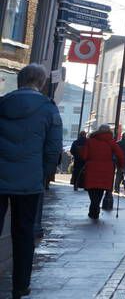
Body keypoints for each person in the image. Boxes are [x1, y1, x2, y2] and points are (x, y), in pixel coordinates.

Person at [0, 64, 62, 298]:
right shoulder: (48, 108)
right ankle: (20, 285)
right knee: (24, 234)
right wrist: (42, 174)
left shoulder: (3, 103)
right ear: (42, 83)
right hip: (29, 181)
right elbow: (53, 148)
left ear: (19, 80)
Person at [80, 124, 125, 220]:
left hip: (92, 169)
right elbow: (120, 155)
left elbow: (84, 156)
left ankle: (94, 208)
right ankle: (95, 209)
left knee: (92, 190)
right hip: (106, 170)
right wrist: (121, 166)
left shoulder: (90, 141)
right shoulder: (111, 142)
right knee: (100, 190)